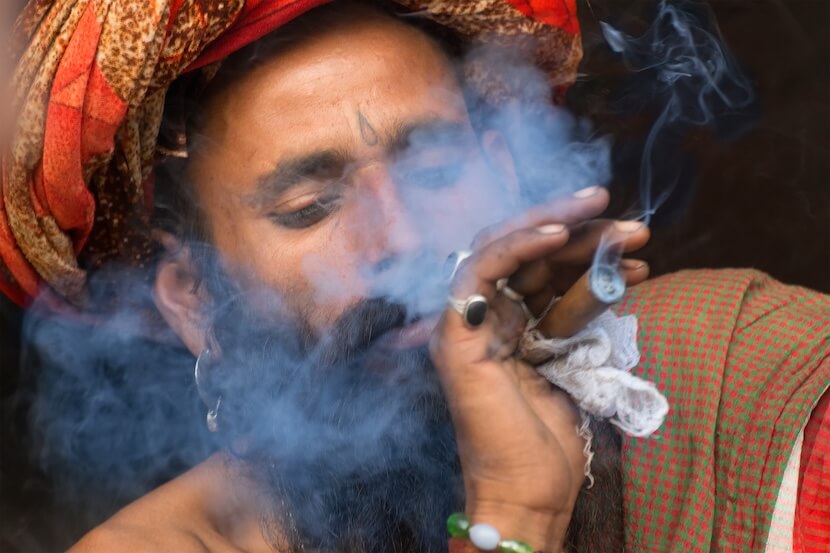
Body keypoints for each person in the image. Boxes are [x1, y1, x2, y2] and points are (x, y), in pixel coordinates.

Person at [3, 1, 828, 552]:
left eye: (435, 171)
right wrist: (514, 513)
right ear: (194, 298)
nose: (398, 238)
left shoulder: (732, 374)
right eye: (310, 207)